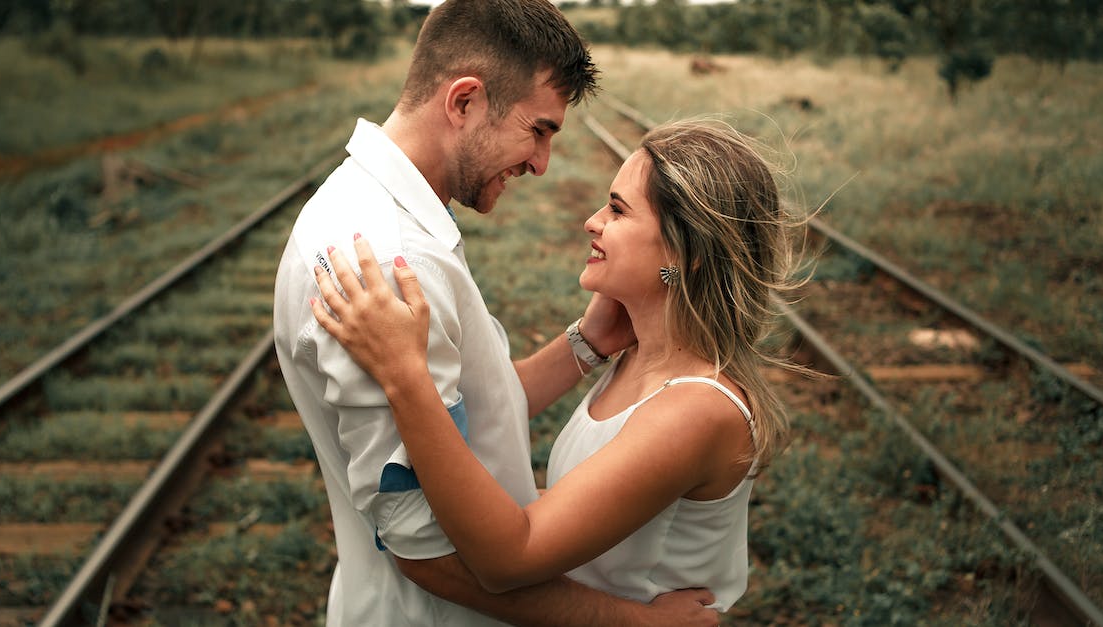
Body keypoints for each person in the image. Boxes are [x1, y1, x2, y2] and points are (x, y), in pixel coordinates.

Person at [273, 0, 719, 625]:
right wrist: (637, 622)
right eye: (538, 130)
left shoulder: (362, 204)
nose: (540, 163)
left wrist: (584, 344)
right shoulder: (392, 262)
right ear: (463, 102)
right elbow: (424, 549)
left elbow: (462, 417)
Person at [309, 118, 803, 613]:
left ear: (685, 251)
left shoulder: (695, 410)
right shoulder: (639, 358)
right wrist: (587, 343)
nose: (593, 221)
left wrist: (405, 375)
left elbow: (509, 559)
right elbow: (503, 412)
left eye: (617, 209)